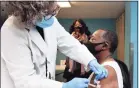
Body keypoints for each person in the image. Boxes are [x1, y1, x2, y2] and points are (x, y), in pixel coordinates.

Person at [1, 1, 108, 88]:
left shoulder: (49, 20)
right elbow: (25, 81)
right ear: (33, 13)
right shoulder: (11, 30)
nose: (55, 13)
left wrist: (90, 60)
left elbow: (69, 43)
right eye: (51, 12)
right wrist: (63, 86)